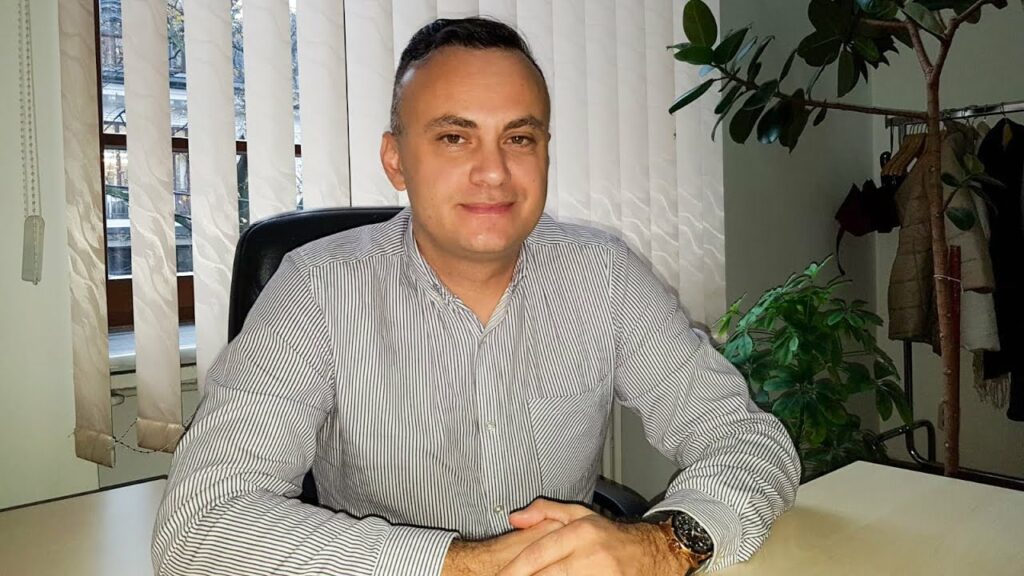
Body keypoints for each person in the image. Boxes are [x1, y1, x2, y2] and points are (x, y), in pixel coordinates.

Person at [152, 17, 800, 576]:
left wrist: (663, 545)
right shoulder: (315, 289)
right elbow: (199, 524)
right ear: (396, 160)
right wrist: (467, 564)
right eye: (454, 137)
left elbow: (746, 440)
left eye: (519, 138)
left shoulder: (604, 276)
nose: (494, 172)